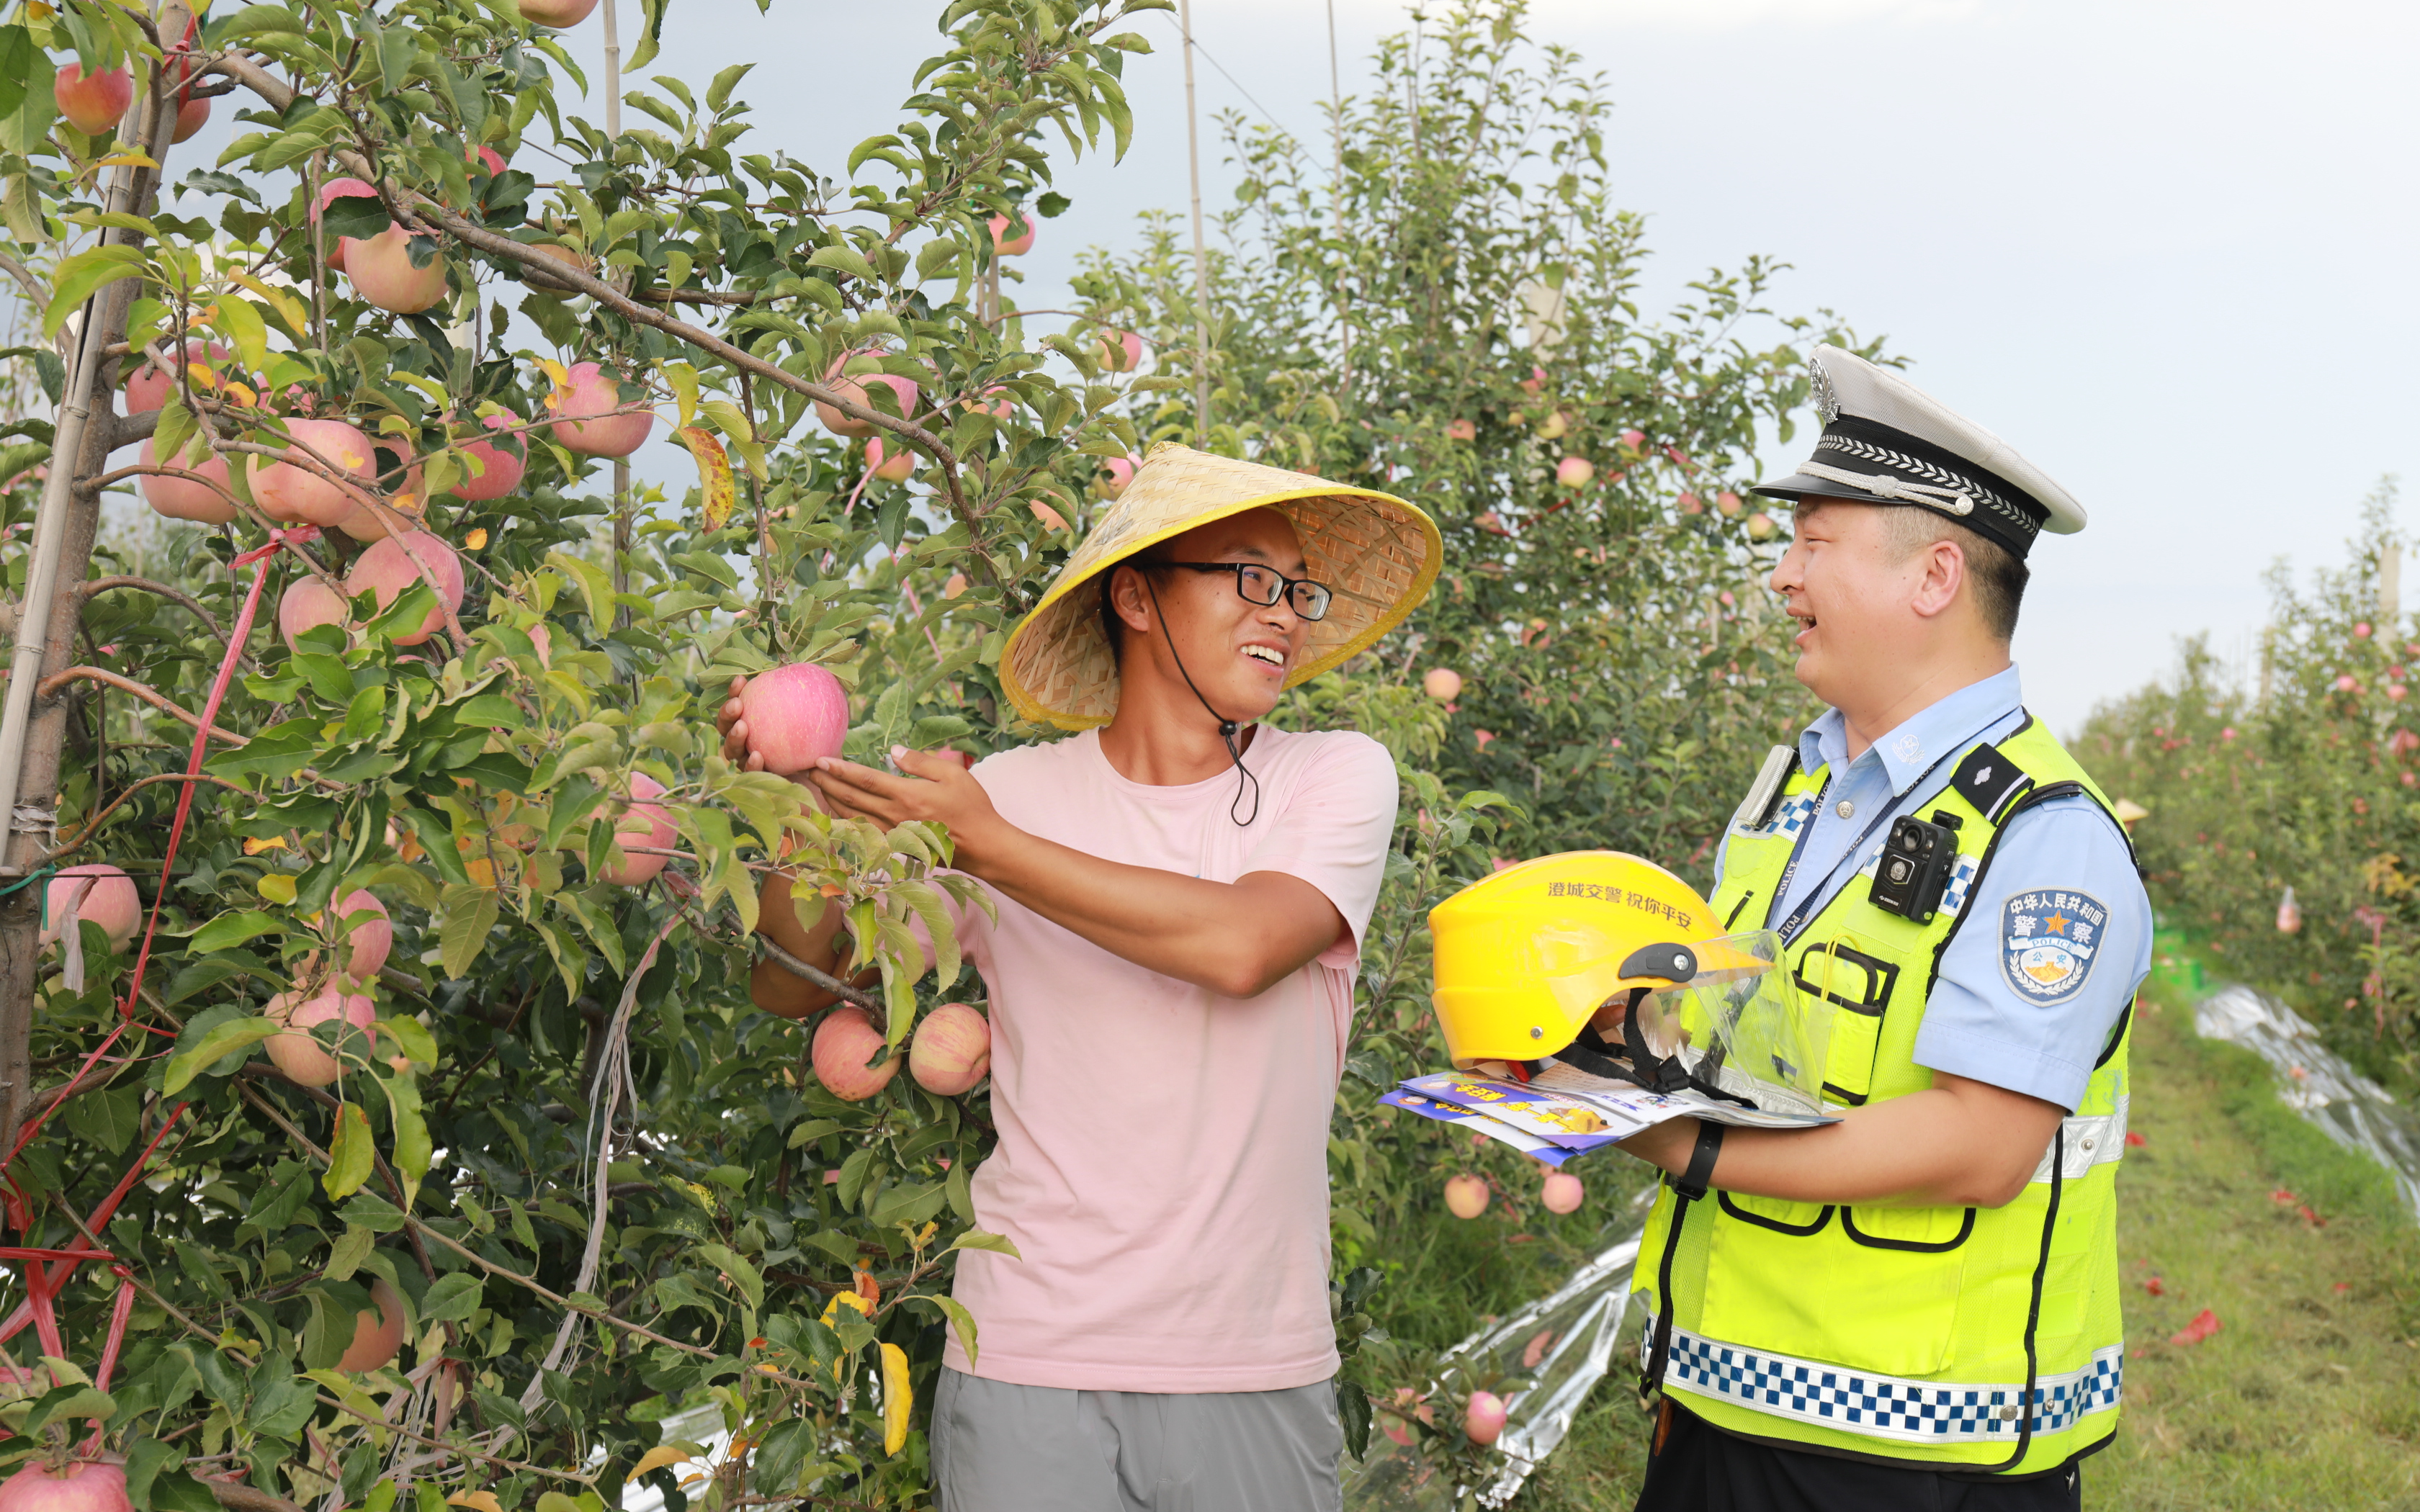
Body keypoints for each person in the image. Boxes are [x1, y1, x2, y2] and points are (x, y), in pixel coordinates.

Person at [720, 442, 1442, 1512]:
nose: (1285, 613)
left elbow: (1242, 947)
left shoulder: (1332, 776)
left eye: (1298, 589)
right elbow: (799, 985)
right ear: (1138, 597)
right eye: (1250, 578)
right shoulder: (1008, 794)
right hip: (1029, 1350)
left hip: (1248, 1358)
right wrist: (787, 814)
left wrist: (984, 843)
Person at [1613, 346, 2152, 1511]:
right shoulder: (1795, 791)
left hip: (1911, 1453)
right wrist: (1612, 1051)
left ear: (1934, 577)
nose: (1781, 577)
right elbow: (1753, 1039)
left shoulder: (2043, 838)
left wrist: (1695, 1151)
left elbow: (1983, 1144)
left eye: (1813, 543)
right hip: (1720, 1404)